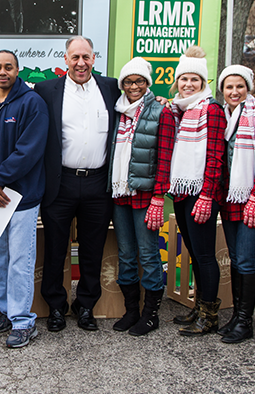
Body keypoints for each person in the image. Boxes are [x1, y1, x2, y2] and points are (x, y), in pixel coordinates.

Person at [34, 36, 121, 332]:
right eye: (75, 57)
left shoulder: (111, 88)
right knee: (55, 249)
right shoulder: (46, 90)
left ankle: (85, 306)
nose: (81, 63)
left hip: (98, 184)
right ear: (65, 59)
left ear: (94, 58)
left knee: (92, 249)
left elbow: (139, 100)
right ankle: (56, 307)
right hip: (61, 183)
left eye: (86, 57)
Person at [0, 50, 49, 348]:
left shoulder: (33, 104)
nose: (2, 72)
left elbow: (28, 152)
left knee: (20, 260)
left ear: (18, 70)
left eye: (8, 67)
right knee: (0, 258)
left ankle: (22, 321)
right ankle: (6, 311)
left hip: (22, 198)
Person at [108, 57, 175, 336]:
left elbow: (165, 158)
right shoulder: (117, 111)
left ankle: (151, 315)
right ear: (122, 84)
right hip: (119, 193)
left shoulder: (162, 112)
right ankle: (132, 310)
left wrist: (159, 197)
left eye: (139, 81)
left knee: (148, 255)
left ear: (147, 83)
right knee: (126, 254)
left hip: (146, 195)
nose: (133, 86)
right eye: (128, 81)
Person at [168, 46, 226, 336]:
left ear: (203, 84)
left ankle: (210, 315)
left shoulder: (210, 109)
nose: (188, 84)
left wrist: (207, 194)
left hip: (201, 192)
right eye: (183, 79)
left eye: (194, 80)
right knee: (192, 250)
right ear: (177, 81)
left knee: (204, 255)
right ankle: (200, 306)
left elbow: (216, 156)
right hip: (181, 190)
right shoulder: (181, 108)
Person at [216, 65, 255, 344]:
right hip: (231, 199)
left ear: (248, 88)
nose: (234, 92)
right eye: (229, 87)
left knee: (247, 258)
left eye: (239, 86)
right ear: (222, 91)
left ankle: (245, 322)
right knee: (237, 258)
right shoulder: (224, 117)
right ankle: (238, 316)